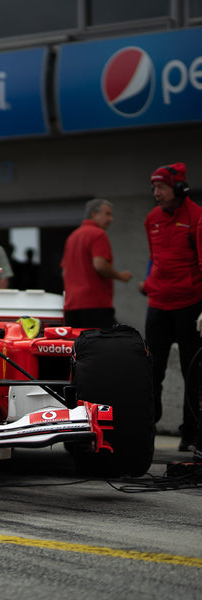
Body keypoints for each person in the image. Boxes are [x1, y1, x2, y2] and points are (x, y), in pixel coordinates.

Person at [140, 163, 202, 452]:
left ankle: (191, 433)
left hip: (189, 305)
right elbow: (156, 259)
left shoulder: (197, 216)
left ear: (179, 188)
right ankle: (146, 429)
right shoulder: (152, 218)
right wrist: (150, 282)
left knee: (194, 370)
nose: (156, 193)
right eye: (154, 187)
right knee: (152, 369)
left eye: (161, 187)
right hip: (158, 304)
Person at [61, 198, 132, 328]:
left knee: (78, 346)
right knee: (101, 345)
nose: (111, 219)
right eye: (108, 214)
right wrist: (121, 276)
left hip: (72, 306)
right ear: (94, 214)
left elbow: (65, 272)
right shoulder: (98, 234)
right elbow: (99, 265)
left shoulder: (72, 236)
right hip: (95, 305)